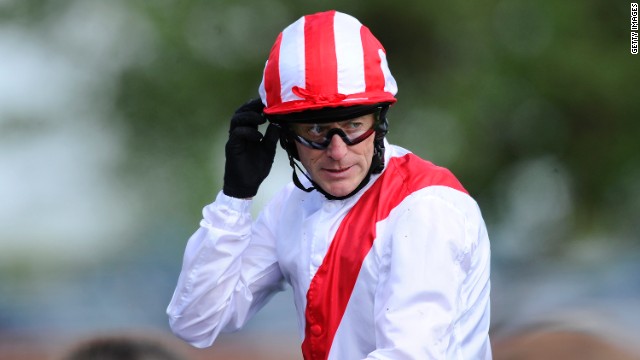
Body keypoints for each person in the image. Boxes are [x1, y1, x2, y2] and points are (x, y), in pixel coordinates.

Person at [167, 10, 492, 359]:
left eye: (352, 126)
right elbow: (195, 322)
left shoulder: (427, 209)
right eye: (317, 131)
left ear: (379, 122)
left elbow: (409, 354)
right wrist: (235, 198)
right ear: (287, 137)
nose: (337, 152)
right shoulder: (290, 206)